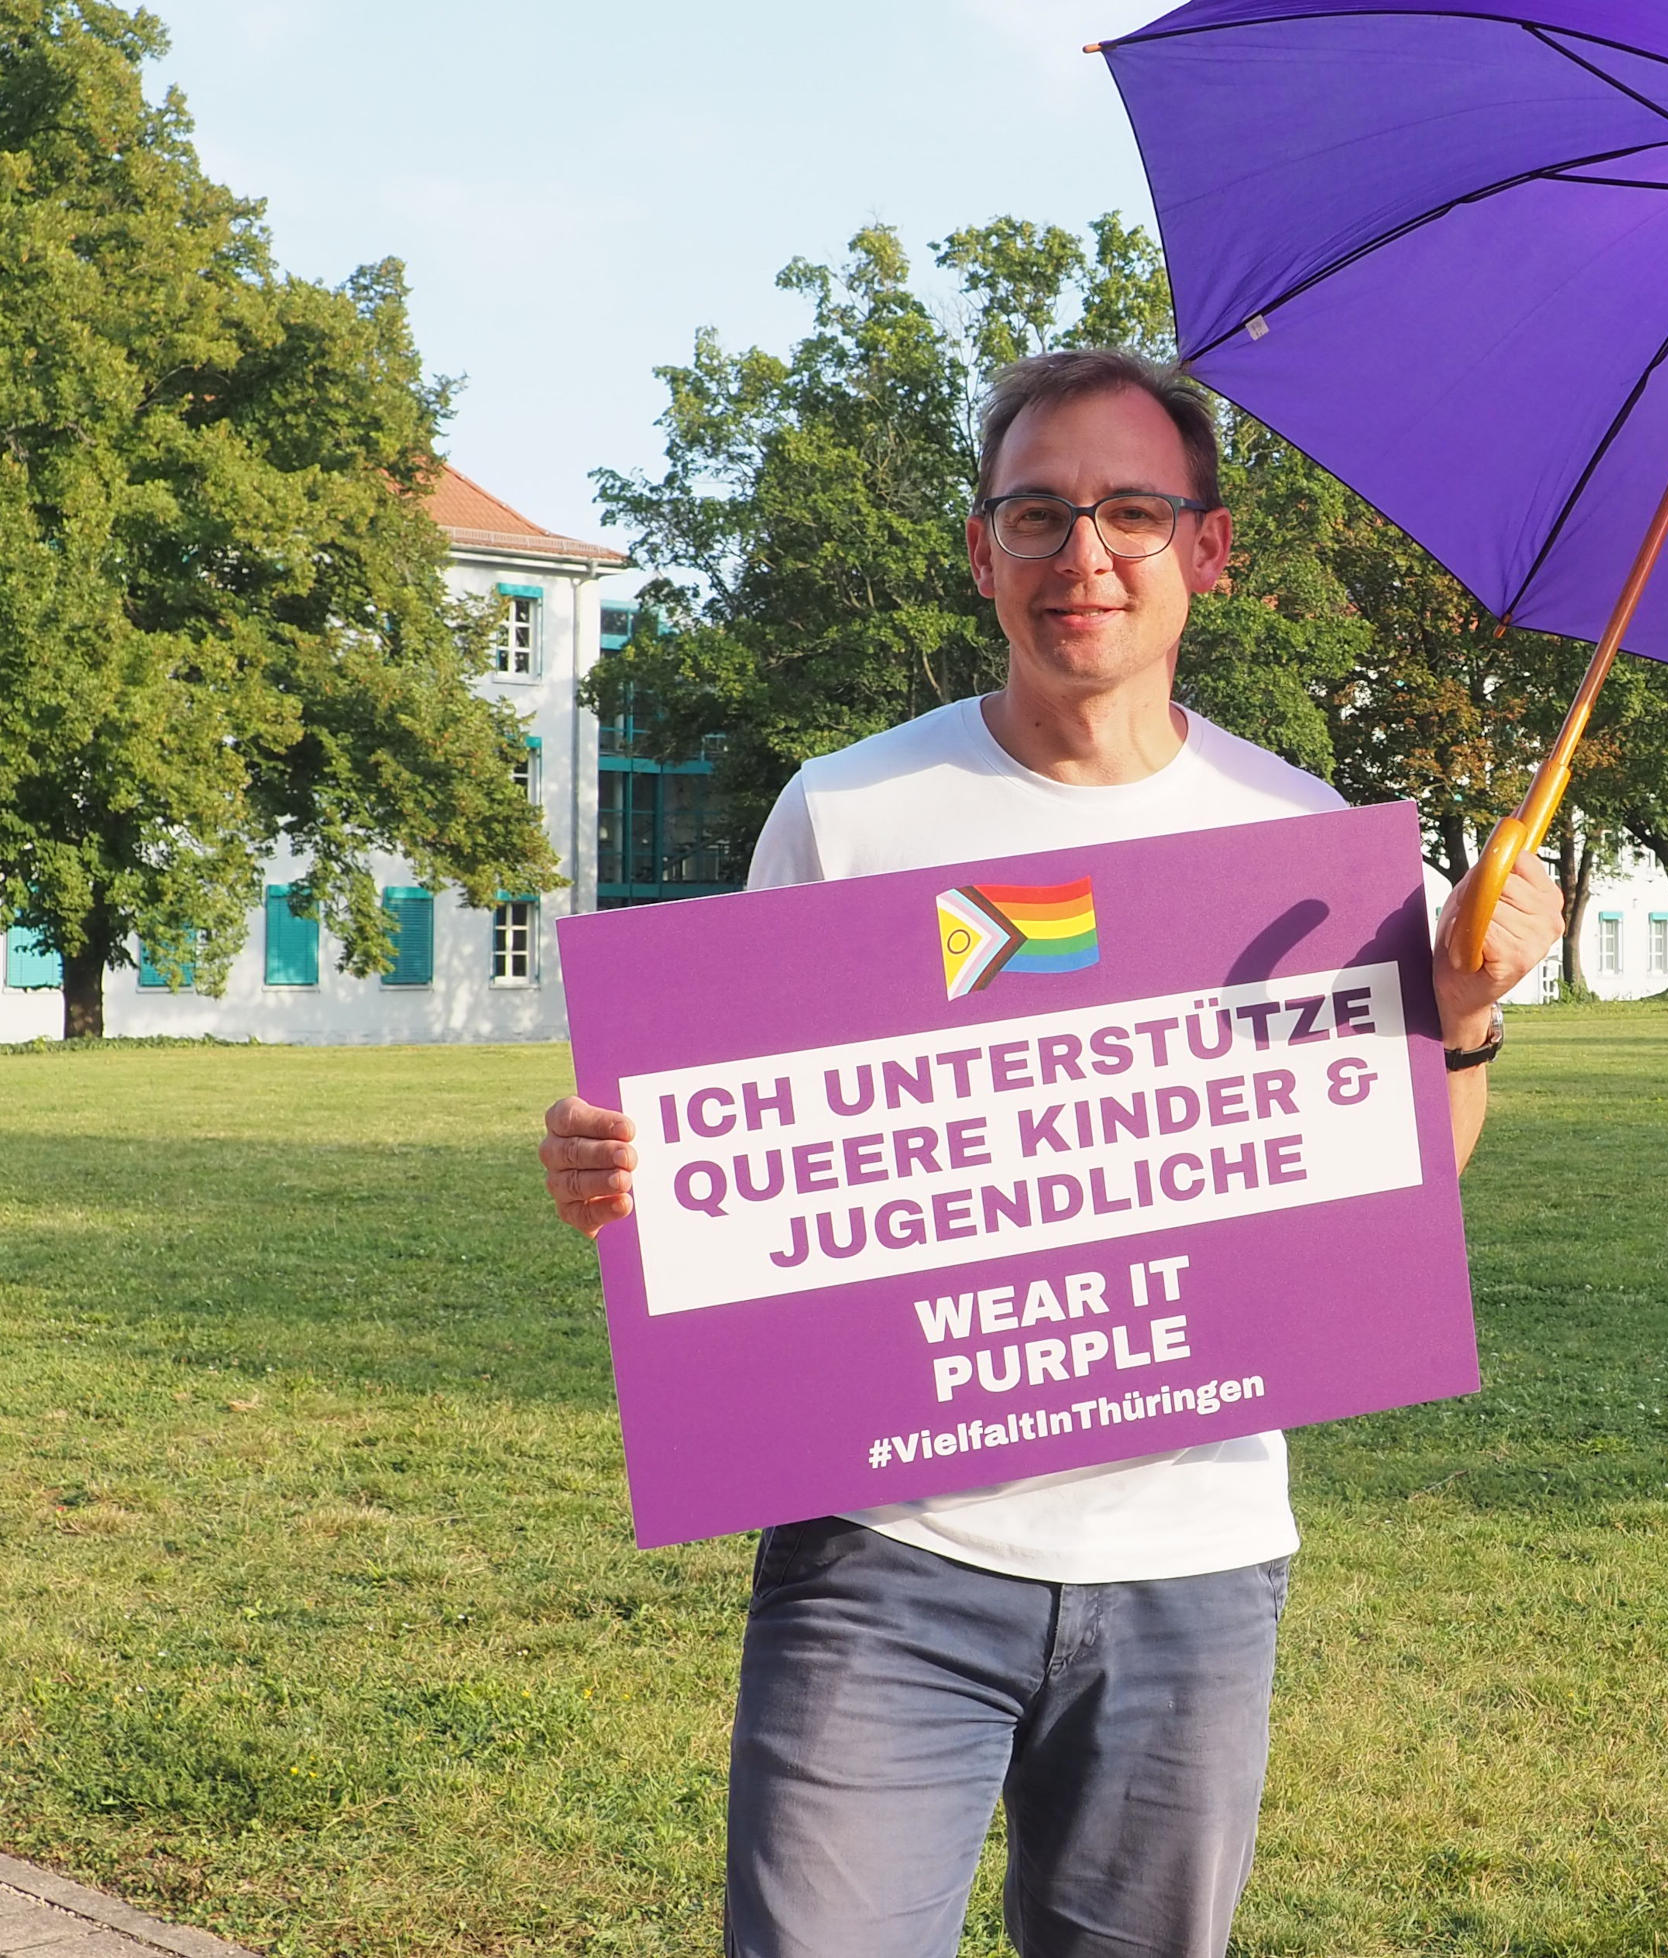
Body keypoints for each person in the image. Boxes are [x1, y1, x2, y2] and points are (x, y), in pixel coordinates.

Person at [541, 348, 1563, 1958]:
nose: (1084, 554)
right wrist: (614, 1169)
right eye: (1039, 513)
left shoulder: (1300, 841)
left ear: (1208, 550)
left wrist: (1470, 1008)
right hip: (885, 1554)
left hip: (1193, 1565)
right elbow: (736, 1149)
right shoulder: (848, 812)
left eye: (1132, 512)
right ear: (981, 549)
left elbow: (1399, 1185)